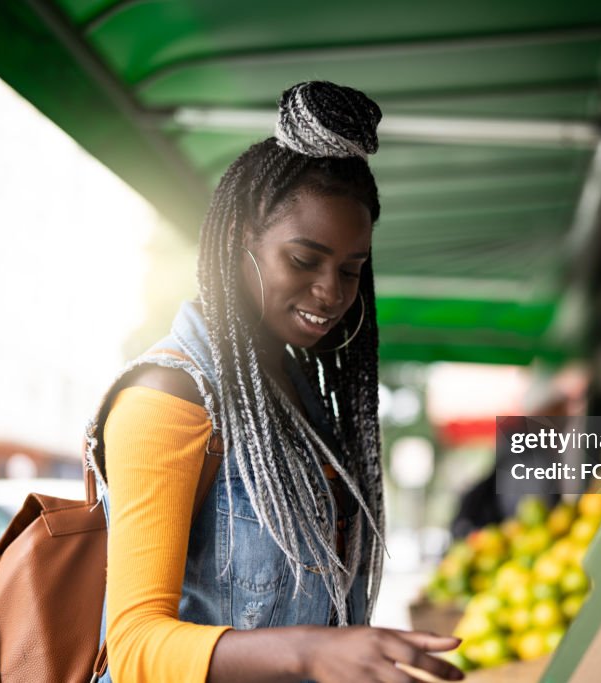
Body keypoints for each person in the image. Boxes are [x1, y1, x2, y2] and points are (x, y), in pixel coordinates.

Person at [84, 82, 465, 683]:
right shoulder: (167, 398)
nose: (332, 293)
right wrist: (313, 651)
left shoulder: (298, 389)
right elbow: (133, 648)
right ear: (241, 240)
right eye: (304, 260)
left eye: (351, 269)